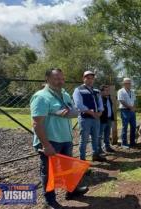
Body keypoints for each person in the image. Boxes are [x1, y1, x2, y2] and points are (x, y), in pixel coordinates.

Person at [31, 68, 88, 209]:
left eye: (62, 78)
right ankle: (49, 201)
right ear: (47, 79)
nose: (60, 81)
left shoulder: (64, 94)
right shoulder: (41, 97)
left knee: (67, 168)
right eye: (57, 78)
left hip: (65, 138)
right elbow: (37, 123)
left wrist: (68, 112)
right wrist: (46, 145)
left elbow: (73, 111)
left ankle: (71, 191)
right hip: (50, 141)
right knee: (49, 172)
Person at [73, 70, 106, 162]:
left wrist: (100, 112)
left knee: (96, 138)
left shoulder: (96, 91)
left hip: (96, 118)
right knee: (84, 139)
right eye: (88, 78)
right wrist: (91, 112)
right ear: (83, 79)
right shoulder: (78, 90)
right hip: (85, 118)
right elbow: (78, 105)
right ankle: (82, 160)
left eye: (92, 78)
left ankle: (95, 155)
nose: (90, 80)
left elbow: (100, 103)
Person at [117, 78, 137, 148]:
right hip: (124, 110)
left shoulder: (132, 91)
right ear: (124, 84)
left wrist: (133, 108)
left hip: (132, 111)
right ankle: (124, 143)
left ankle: (132, 142)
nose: (129, 84)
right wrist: (130, 107)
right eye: (127, 83)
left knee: (133, 126)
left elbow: (134, 100)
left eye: (129, 83)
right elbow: (121, 101)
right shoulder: (120, 91)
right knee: (124, 127)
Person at [98, 85, 115, 153]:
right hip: (102, 120)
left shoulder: (109, 98)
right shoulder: (100, 99)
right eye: (106, 90)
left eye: (108, 90)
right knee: (99, 135)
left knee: (107, 134)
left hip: (109, 119)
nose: (108, 92)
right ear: (101, 91)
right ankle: (99, 149)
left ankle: (107, 147)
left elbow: (110, 108)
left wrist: (112, 118)